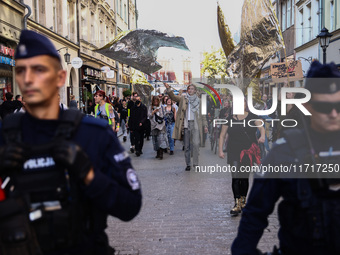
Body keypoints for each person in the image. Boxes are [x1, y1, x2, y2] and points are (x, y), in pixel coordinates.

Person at [0, 30, 142, 255]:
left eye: (39, 69)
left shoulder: (92, 133)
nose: (28, 79)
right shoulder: (6, 133)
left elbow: (130, 206)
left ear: (60, 78)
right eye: (21, 71)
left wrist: (88, 174)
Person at [232, 61, 340, 255]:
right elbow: (255, 214)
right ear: (308, 105)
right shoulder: (284, 152)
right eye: (324, 106)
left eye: (338, 106)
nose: (333, 113)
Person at [219, 98, 265, 216]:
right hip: (233, 150)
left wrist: (262, 136)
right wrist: (220, 150)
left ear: (246, 105)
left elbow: (261, 127)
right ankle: (237, 203)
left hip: (248, 151)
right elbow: (222, 135)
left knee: (244, 178)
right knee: (235, 178)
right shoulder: (229, 119)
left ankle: (244, 202)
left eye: (243, 102)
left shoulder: (252, 116)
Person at [164, 82, 208, 171]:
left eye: (192, 89)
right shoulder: (183, 99)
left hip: (196, 125)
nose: (190, 90)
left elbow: (203, 115)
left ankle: (196, 164)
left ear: (195, 90)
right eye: (189, 89)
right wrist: (168, 89)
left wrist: (205, 125)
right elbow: (173, 97)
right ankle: (188, 164)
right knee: (187, 146)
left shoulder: (200, 101)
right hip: (186, 124)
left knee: (196, 145)